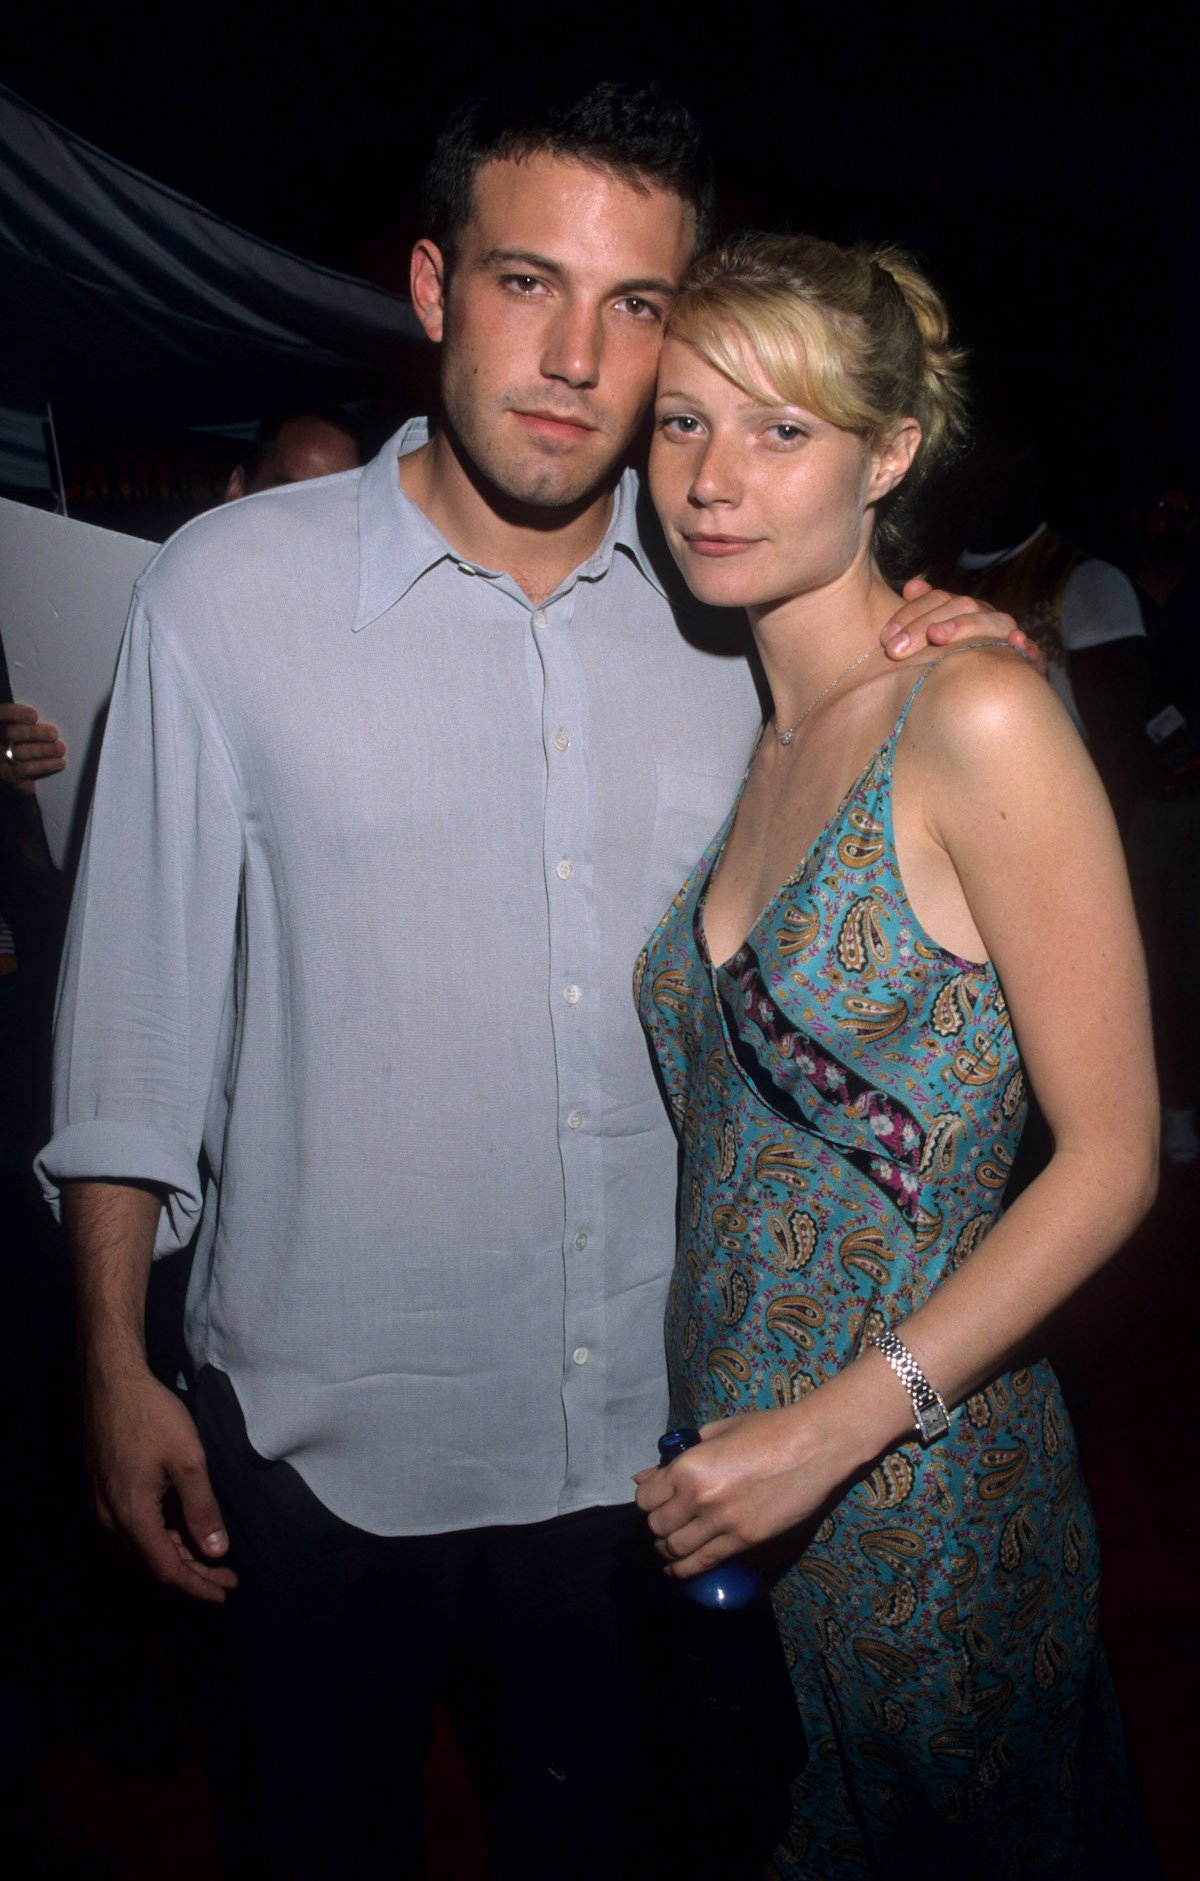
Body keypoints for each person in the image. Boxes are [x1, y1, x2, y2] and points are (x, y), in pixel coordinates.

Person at [36, 88, 1024, 1878]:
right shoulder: (220, 596)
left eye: (636, 304)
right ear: (430, 289)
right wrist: (108, 1355)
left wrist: (954, 644)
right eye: (524, 282)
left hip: (650, 1472)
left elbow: (917, 763)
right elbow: (132, 1023)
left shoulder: (747, 616)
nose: (577, 358)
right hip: (320, 1461)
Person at [634, 233, 1157, 1877]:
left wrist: (843, 1421)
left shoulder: (977, 717)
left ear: (890, 453)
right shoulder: (748, 717)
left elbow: (1116, 1159)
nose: (715, 479)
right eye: (683, 421)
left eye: (783, 431)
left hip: (926, 1510)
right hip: (737, 1509)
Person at [0, 403, 360, 797]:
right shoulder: (125, 601)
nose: (302, 527)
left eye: (325, 508)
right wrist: (24, 770)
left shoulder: (346, 665)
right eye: (286, 494)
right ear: (237, 487)